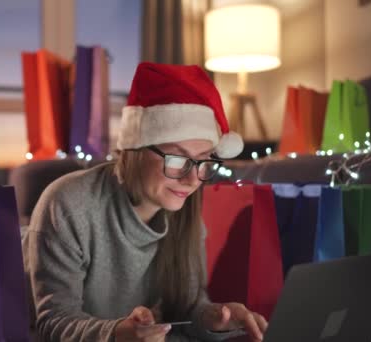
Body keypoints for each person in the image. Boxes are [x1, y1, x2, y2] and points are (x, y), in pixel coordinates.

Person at [23, 62, 267, 342]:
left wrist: (215, 319)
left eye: (203, 162)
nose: (192, 181)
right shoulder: (68, 204)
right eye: (178, 159)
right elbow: (52, 323)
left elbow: (186, 309)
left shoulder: (183, 209)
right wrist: (116, 334)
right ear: (136, 150)